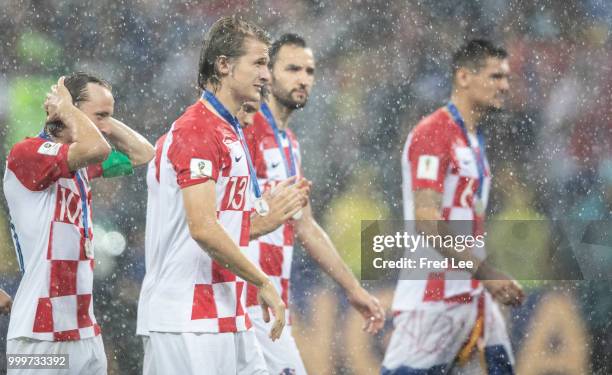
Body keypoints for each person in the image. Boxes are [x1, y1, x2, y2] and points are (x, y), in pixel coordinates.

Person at [145, 16, 310, 375]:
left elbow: (226, 224)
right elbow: (203, 228)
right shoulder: (197, 129)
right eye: (259, 63)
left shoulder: (228, 130)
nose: (267, 75)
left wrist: (264, 220)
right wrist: (262, 281)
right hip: (185, 318)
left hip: (228, 310)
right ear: (223, 65)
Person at [243, 33, 385, 374]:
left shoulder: (289, 143)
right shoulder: (245, 130)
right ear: (268, 73)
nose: (303, 78)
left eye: (309, 70)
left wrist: (353, 289)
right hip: (243, 302)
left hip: (271, 305)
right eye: (292, 68)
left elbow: (304, 225)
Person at [382, 40, 525, 374]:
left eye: (507, 78)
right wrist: (488, 275)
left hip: (470, 296)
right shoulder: (434, 132)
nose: (504, 85)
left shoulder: (474, 139)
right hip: (433, 298)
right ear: (463, 76)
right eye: (495, 76)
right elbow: (427, 221)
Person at [3, 72, 154, 375]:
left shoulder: (81, 166)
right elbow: (96, 148)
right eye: (99, 116)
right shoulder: (28, 153)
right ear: (66, 110)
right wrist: (70, 110)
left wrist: (103, 121)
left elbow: (143, 153)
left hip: (85, 332)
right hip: (38, 336)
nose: (104, 128)